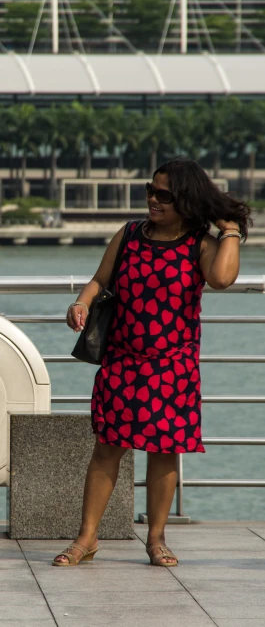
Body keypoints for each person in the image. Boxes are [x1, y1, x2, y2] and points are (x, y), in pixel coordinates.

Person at [53, 159, 251, 568]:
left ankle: (156, 539)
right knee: (107, 449)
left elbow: (222, 278)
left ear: (187, 201)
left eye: (164, 195)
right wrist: (81, 302)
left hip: (173, 367)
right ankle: (86, 538)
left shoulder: (198, 242)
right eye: (151, 190)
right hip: (122, 361)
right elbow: (99, 279)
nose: (153, 200)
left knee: (164, 452)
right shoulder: (129, 234)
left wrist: (228, 228)